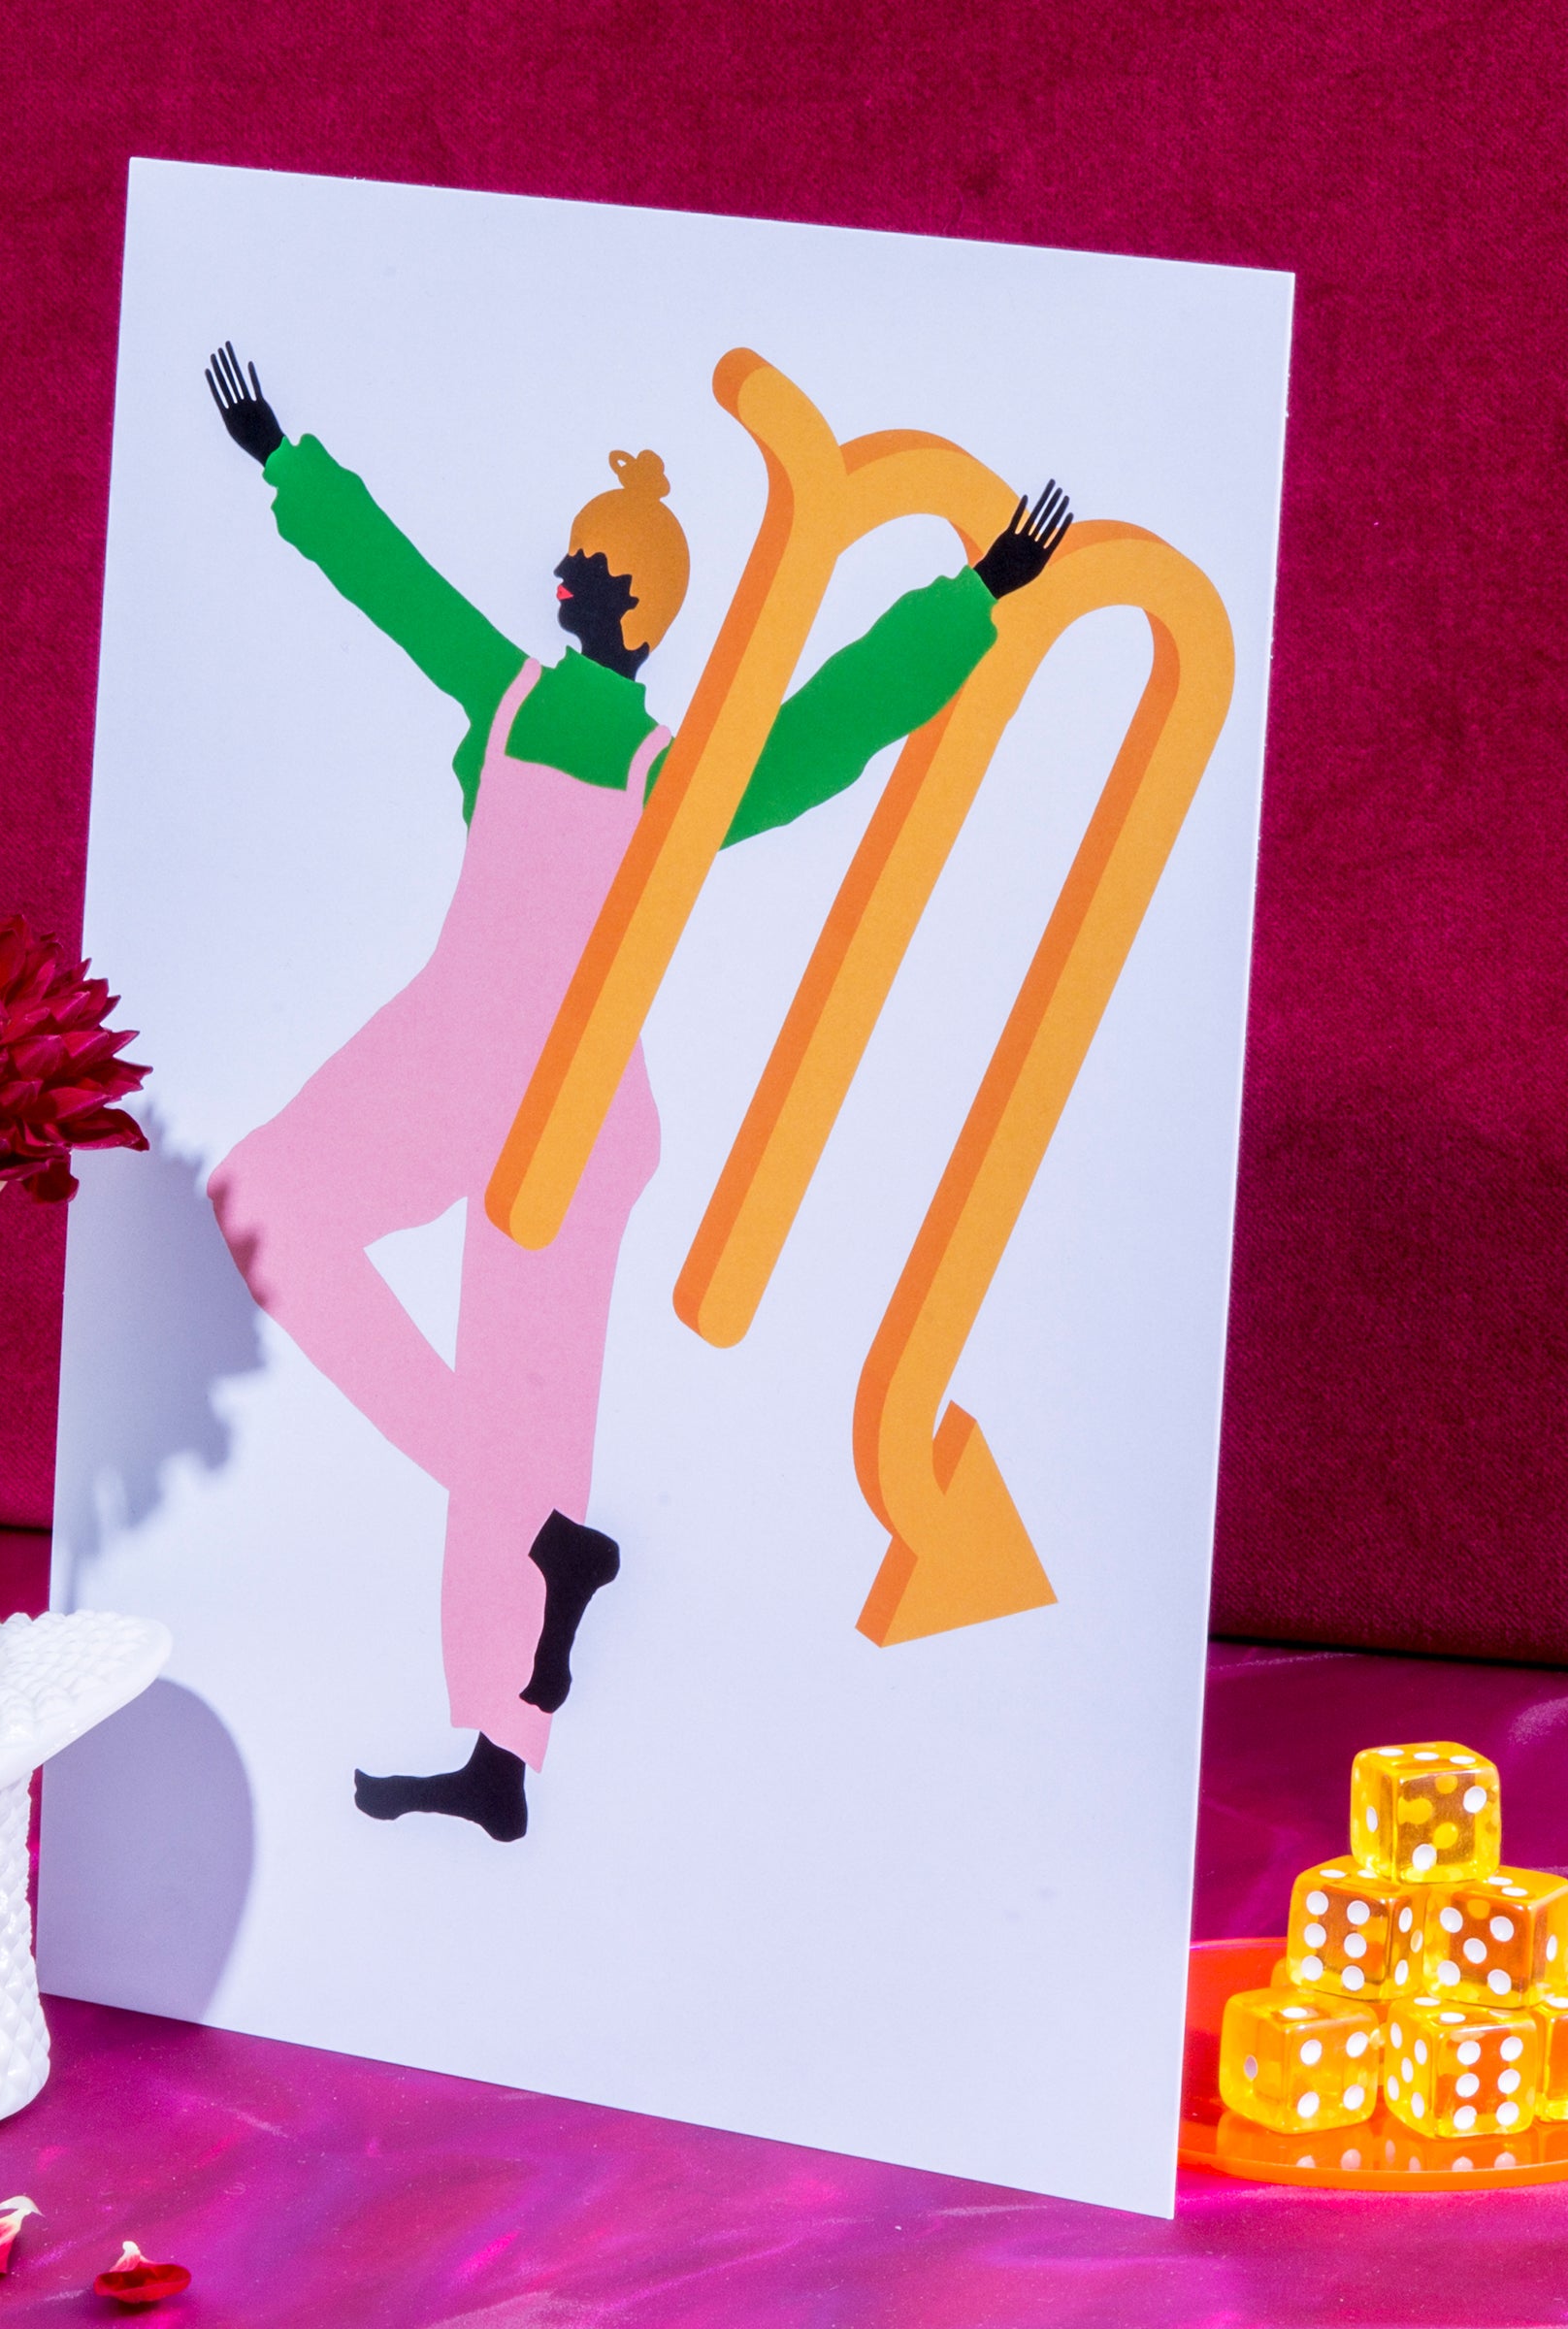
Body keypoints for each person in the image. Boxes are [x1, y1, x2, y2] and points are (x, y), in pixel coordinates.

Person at [202, 341, 1071, 1841]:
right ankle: (523, 1629)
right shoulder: (595, 735)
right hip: (510, 1076)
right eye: (575, 560)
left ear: (614, 601)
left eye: (587, 566)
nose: (564, 578)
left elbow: (409, 594)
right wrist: (970, 601)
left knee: (399, 1299)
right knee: (384, 1290)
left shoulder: (604, 738)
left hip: (527, 1078)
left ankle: (507, 1728)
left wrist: (287, 461)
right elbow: (823, 726)